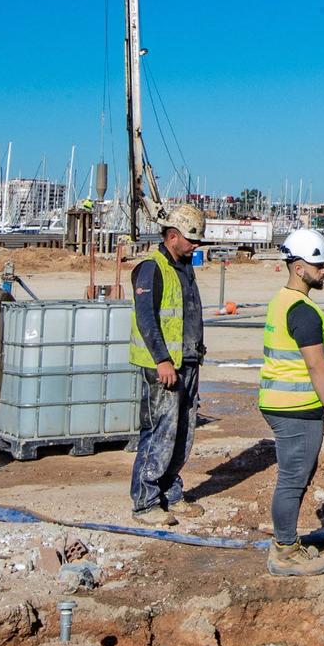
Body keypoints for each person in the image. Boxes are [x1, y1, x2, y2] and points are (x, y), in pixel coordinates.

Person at [261, 227, 324, 576]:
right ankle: (283, 551)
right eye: (318, 264)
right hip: (295, 407)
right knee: (293, 479)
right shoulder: (303, 310)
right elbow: (315, 364)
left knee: (294, 476)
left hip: (280, 401)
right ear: (298, 267)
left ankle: (287, 542)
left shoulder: (282, 301)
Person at [128, 203, 209, 522]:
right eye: (192, 240)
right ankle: (145, 501)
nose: (196, 246)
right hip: (163, 367)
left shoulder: (184, 266)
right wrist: (162, 360)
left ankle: (171, 492)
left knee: (182, 432)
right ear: (172, 236)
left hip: (188, 363)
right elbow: (146, 317)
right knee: (159, 431)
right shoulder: (152, 267)